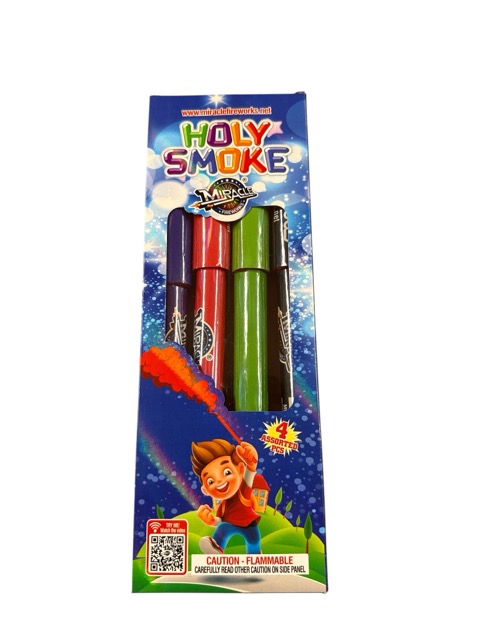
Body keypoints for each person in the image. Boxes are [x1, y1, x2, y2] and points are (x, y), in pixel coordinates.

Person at [191, 438, 261, 554]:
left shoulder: (242, 492)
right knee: (222, 527)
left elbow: (248, 479)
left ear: (240, 469)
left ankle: (255, 556)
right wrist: (211, 520)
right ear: (205, 490)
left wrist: (251, 465)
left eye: (227, 472)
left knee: (253, 541)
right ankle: (216, 548)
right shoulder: (223, 505)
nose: (219, 481)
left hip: (249, 524)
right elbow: (220, 520)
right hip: (230, 524)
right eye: (210, 481)